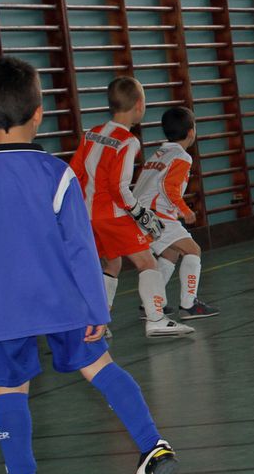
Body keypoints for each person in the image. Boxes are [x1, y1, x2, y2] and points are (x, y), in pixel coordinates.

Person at [0, 57, 179, 474]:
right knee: (100, 366)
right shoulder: (57, 174)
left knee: (10, 390)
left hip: (3, 311)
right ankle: (154, 446)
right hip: (63, 300)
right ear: (40, 113)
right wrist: (95, 306)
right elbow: (81, 247)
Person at [69, 77, 193, 338]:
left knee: (111, 263)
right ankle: (157, 318)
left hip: (89, 215)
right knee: (146, 262)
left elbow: (74, 173)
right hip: (114, 214)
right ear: (139, 105)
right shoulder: (128, 142)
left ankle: (98, 322)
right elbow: (120, 187)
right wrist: (141, 214)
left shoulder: (91, 133)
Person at [133, 107, 219, 320]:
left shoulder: (159, 153)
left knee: (170, 253)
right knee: (193, 250)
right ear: (191, 132)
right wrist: (184, 209)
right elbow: (168, 187)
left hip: (141, 213)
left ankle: (152, 303)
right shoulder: (182, 157)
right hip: (156, 215)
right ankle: (189, 305)